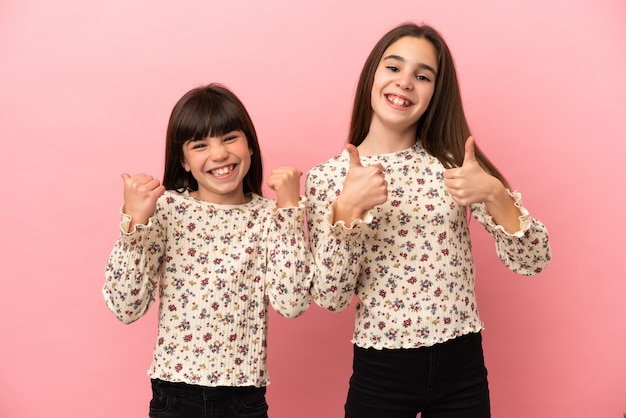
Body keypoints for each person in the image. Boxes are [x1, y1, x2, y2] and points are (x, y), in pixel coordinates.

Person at [305, 23, 551, 418]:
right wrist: (348, 212)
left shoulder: (454, 164)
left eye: (422, 76)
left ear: (435, 93)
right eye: (393, 68)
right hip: (381, 370)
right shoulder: (327, 178)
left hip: (462, 366)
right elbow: (331, 298)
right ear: (372, 74)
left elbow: (533, 260)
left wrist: (492, 191)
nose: (405, 83)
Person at [103, 83, 312, 418]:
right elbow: (125, 307)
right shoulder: (167, 211)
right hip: (173, 394)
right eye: (200, 145)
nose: (218, 154)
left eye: (229, 138)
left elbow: (291, 304)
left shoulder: (269, 217)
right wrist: (135, 222)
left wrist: (289, 209)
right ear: (183, 161)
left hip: (243, 397)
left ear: (250, 146)